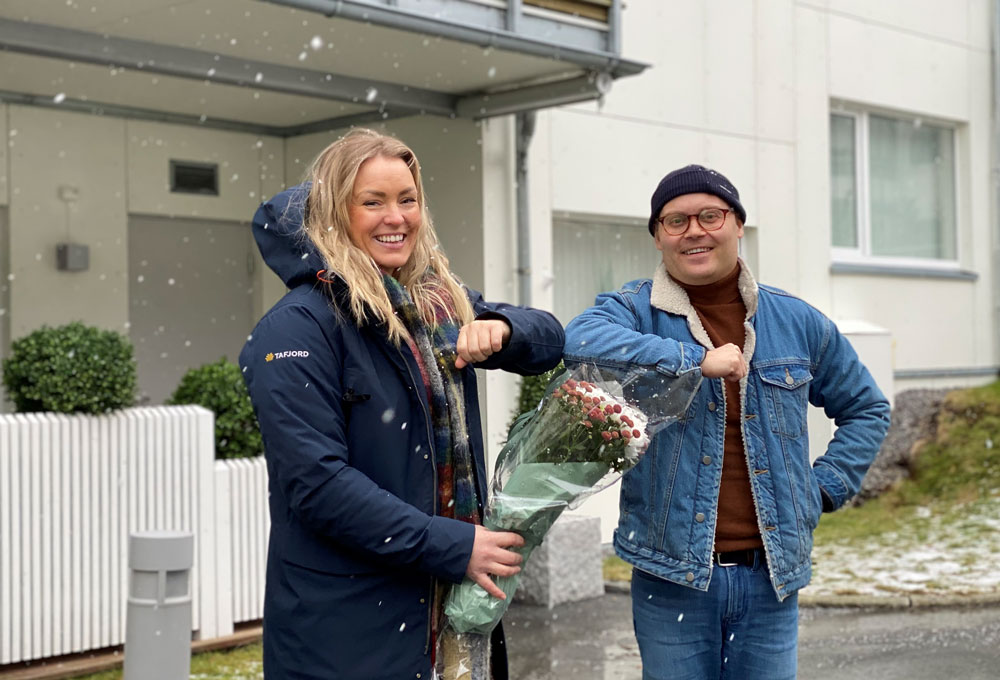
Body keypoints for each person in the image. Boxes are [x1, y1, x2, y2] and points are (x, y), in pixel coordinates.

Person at [239, 129, 564, 680]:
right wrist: (454, 545)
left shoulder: (436, 304)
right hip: (348, 627)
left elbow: (550, 339)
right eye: (373, 202)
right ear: (337, 213)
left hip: (452, 612)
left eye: (407, 199)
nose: (397, 217)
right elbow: (317, 485)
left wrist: (503, 329)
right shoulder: (296, 327)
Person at [563, 164, 890, 679]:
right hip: (669, 574)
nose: (694, 230)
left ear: (738, 225)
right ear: (657, 238)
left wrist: (822, 488)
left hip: (771, 576)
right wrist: (692, 358)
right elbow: (579, 340)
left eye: (710, 215)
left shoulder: (797, 321)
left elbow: (867, 408)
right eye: (675, 221)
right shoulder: (631, 310)